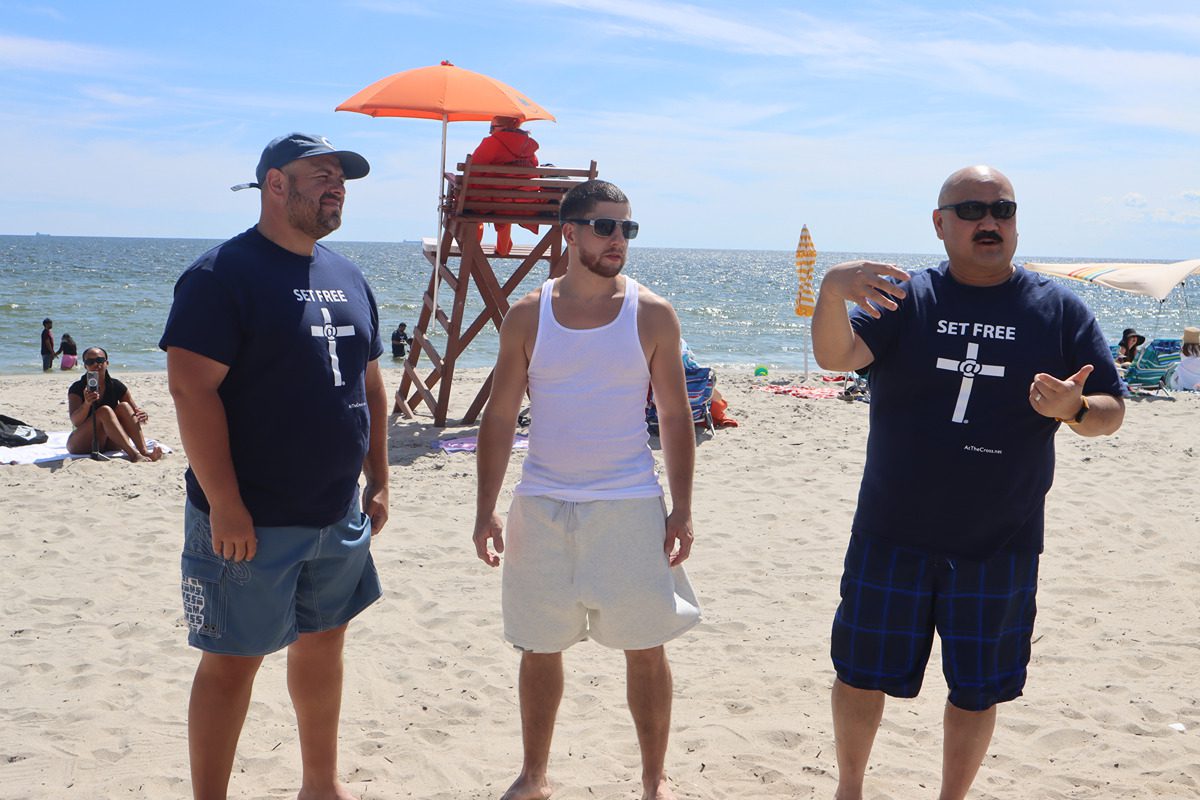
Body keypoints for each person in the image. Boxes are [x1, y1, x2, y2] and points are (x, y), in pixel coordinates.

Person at [811, 165, 1125, 800]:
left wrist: (1074, 410)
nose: (989, 222)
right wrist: (831, 291)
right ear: (939, 223)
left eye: (1002, 210)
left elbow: (1111, 411)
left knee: (978, 689)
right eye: (972, 210)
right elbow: (836, 357)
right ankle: (850, 789)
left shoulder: (1058, 309)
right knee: (860, 673)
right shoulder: (908, 298)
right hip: (892, 530)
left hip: (999, 539)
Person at [159, 132, 389, 800]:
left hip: (335, 513)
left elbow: (369, 382)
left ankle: (321, 785)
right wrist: (226, 505)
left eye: (341, 179)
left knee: (323, 644)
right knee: (232, 662)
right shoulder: (221, 275)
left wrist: (379, 475)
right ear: (275, 184)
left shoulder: (348, 275)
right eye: (322, 175)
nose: (337, 187)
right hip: (249, 520)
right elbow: (190, 390)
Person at [473, 179, 700, 800]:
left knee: (645, 648)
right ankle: (534, 776)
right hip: (542, 504)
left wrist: (682, 509)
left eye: (628, 228)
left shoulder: (651, 313)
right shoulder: (528, 314)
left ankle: (654, 781)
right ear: (569, 233)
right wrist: (485, 509)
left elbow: (675, 416)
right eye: (605, 227)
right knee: (538, 647)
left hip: (629, 505)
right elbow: (500, 415)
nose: (618, 239)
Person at [66, 346, 162, 461]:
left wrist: (142, 415)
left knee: (124, 406)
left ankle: (143, 451)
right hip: (83, 442)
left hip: (111, 441)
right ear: (85, 366)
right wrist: (87, 404)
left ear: (107, 363)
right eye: (90, 362)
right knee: (105, 411)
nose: (96, 364)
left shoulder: (115, 386)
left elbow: (134, 412)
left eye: (100, 360)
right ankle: (134, 455)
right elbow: (76, 422)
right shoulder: (77, 388)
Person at [471, 115, 540, 257]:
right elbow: (534, 165)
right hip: (522, 202)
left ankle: (473, 247)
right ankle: (503, 247)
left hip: (491, 200)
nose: (490, 132)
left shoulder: (492, 143)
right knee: (506, 199)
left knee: (473, 201)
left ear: (505, 127)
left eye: (492, 127)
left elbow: (473, 168)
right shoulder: (528, 145)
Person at [1170, 326, 1200, 390]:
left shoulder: (1182, 351)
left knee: (1173, 370)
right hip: (1196, 384)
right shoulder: (1198, 352)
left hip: (1181, 385)